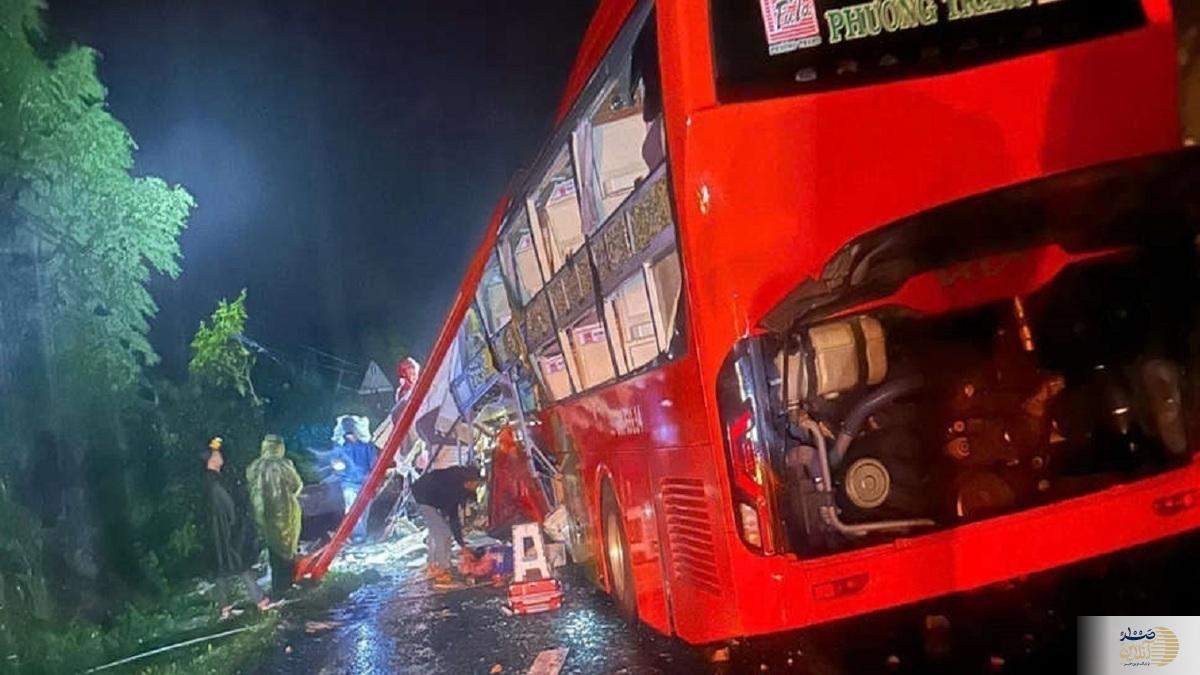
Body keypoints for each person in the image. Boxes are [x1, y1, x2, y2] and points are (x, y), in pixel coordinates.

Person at [204, 438, 269, 616]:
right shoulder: (216, 483)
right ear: (211, 460)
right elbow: (229, 507)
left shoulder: (211, 480)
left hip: (217, 532)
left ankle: (224, 607)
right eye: (216, 455)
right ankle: (260, 600)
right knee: (239, 563)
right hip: (227, 531)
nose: (220, 457)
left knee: (222, 567)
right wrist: (239, 524)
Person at [246, 434, 303, 595]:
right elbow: (297, 485)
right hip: (285, 514)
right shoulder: (284, 465)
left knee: (273, 549)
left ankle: (277, 586)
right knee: (287, 548)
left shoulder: (254, 466)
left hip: (263, 515)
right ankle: (288, 584)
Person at [410, 465, 482, 583]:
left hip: (428, 495)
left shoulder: (459, 482)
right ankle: (441, 568)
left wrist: (462, 544)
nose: (477, 486)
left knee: (436, 531)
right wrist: (462, 545)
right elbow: (453, 518)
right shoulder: (452, 488)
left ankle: (432, 563)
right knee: (443, 532)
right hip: (423, 498)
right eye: (476, 483)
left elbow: (453, 513)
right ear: (468, 482)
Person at [335, 421, 378, 542]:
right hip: (349, 483)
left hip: (366, 483)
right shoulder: (341, 447)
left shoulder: (367, 445)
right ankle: (357, 536)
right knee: (352, 509)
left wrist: (374, 480)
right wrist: (338, 467)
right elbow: (336, 464)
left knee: (364, 510)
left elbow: (374, 463)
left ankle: (360, 536)